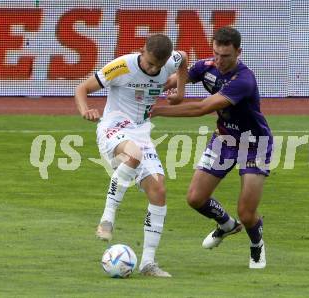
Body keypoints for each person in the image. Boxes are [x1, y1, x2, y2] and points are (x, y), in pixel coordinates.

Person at [152, 26, 272, 269]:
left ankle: (256, 245)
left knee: (247, 213)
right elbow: (176, 78)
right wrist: (149, 91)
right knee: (195, 198)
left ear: (239, 52)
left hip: (254, 144)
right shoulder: (207, 67)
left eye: (226, 56)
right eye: (216, 53)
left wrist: (156, 109)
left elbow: (202, 108)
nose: (219, 60)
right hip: (224, 139)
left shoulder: (244, 80)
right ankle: (228, 225)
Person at [74, 33, 187, 277]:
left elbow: (185, 60)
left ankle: (148, 263)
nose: (153, 68)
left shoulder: (171, 61)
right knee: (133, 154)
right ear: (141, 50)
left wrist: (180, 90)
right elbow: (82, 88)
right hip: (113, 128)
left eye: (158, 65)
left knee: (159, 191)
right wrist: (86, 110)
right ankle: (107, 218)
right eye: (149, 63)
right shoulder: (122, 65)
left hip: (141, 132)